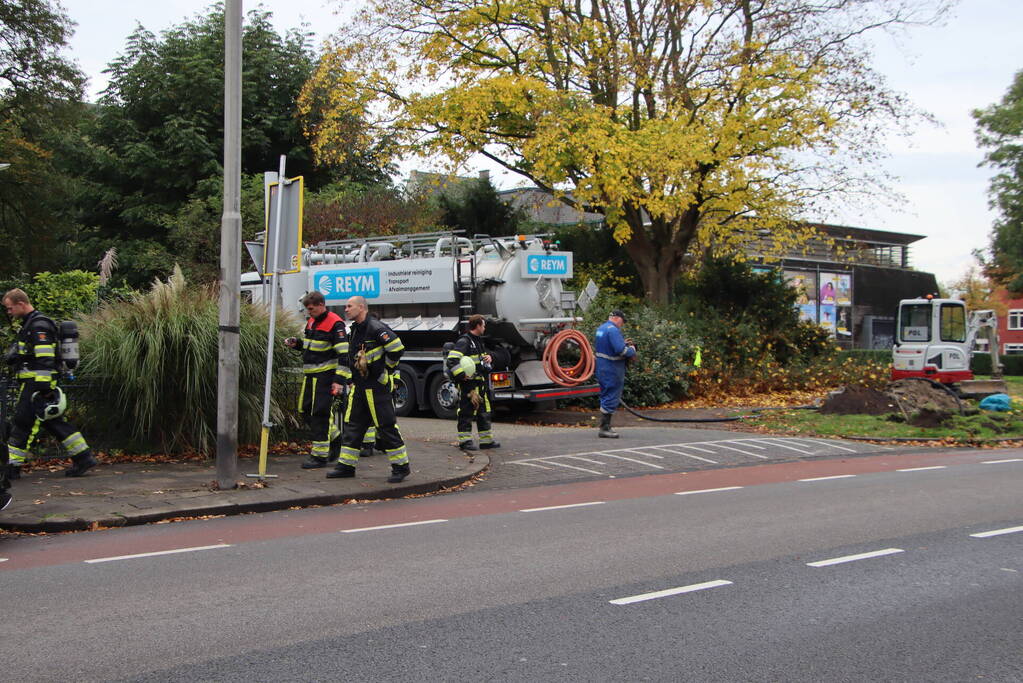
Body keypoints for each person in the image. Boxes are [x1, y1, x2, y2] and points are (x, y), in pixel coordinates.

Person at [3, 288, 96, 479]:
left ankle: (11, 468)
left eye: (10, 308)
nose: (9, 312)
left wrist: (44, 389)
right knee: (54, 422)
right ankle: (83, 457)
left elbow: (44, 358)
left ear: (21, 304)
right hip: (35, 383)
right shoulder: (31, 323)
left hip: (37, 384)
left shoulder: (38, 325)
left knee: (22, 423)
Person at [327, 296, 411, 483]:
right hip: (360, 388)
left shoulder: (376, 328)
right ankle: (346, 466)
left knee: (386, 426)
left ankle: (401, 467)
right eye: (345, 306)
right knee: (353, 427)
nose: (346, 309)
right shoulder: (355, 330)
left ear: (361, 307)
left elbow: (397, 349)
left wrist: (385, 369)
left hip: (376, 388)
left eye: (349, 306)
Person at [285, 291, 349, 469]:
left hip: (325, 376)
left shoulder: (335, 323)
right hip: (311, 375)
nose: (309, 312)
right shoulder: (312, 321)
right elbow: (310, 345)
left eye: (311, 309)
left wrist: (338, 380)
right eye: (307, 309)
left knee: (320, 414)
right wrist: (297, 343)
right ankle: (335, 438)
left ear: (321, 305)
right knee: (305, 410)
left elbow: (344, 355)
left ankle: (319, 456)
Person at [446, 314, 499, 451]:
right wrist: (462, 375)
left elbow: (478, 360)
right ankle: (465, 442)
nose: (485, 327)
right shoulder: (465, 341)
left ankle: (486, 441)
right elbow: (452, 360)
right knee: (466, 413)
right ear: (478, 326)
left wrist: (489, 357)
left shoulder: (478, 341)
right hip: (469, 386)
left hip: (480, 383)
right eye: (483, 325)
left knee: (484, 412)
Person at [594, 309, 636, 438]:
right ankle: (605, 428)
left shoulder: (601, 328)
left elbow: (606, 346)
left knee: (606, 394)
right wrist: (632, 350)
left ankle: (605, 426)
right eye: (622, 322)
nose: (622, 325)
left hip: (602, 366)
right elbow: (620, 351)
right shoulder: (613, 330)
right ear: (618, 318)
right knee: (611, 395)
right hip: (612, 368)